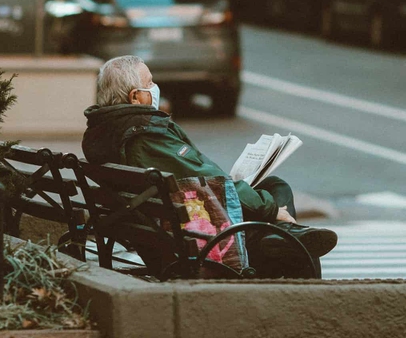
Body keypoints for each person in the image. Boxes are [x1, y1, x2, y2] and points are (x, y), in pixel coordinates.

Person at [81, 55, 338, 278]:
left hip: (165, 224)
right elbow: (204, 178)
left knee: (273, 186)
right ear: (135, 97)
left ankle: (282, 236)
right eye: (150, 82)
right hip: (196, 237)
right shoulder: (144, 137)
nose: (156, 87)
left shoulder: (108, 133)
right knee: (281, 207)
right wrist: (271, 211)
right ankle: (289, 243)